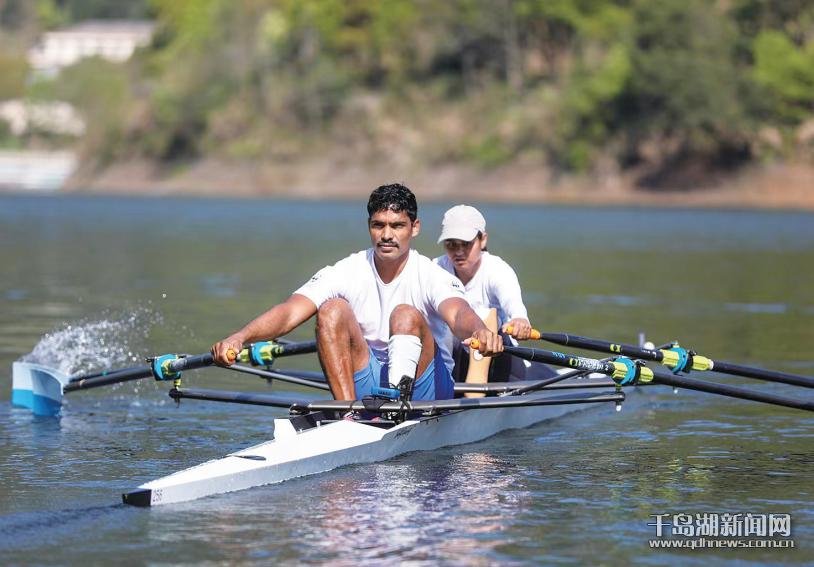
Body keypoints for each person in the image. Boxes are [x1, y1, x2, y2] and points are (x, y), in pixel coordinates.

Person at [211, 184, 503, 406]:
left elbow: (458, 312)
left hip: (427, 387)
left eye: (397, 226)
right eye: (379, 225)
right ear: (369, 227)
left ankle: (396, 409)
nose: (386, 235)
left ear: (414, 228)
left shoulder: (431, 275)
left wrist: (480, 330)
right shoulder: (347, 270)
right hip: (368, 380)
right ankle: (347, 413)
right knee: (331, 309)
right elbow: (289, 312)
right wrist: (240, 337)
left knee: (404, 314)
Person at [434, 204, 556, 382]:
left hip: (503, 362)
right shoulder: (435, 269)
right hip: (457, 358)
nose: (458, 252)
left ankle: (474, 395)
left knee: (486, 316)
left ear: (483, 240)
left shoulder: (497, 270)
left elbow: (514, 305)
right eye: (451, 244)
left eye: (466, 244)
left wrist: (520, 320)